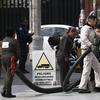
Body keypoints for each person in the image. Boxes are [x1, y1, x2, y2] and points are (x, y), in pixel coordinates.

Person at [78, 14, 100, 93]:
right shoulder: (85, 28)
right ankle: (82, 87)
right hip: (86, 51)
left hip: (90, 51)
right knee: (87, 69)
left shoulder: (91, 29)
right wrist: (91, 45)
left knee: (98, 67)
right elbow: (83, 38)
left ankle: (98, 85)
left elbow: (96, 35)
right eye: (95, 21)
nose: (96, 22)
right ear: (91, 21)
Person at [1, 27, 20, 98]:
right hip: (11, 59)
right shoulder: (14, 41)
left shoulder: (4, 40)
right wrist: (16, 61)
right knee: (10, 76)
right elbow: (18, 53)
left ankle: (4, 90)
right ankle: (8, 93)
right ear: (13, 34)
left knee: (7, 75)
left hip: (3, 59)